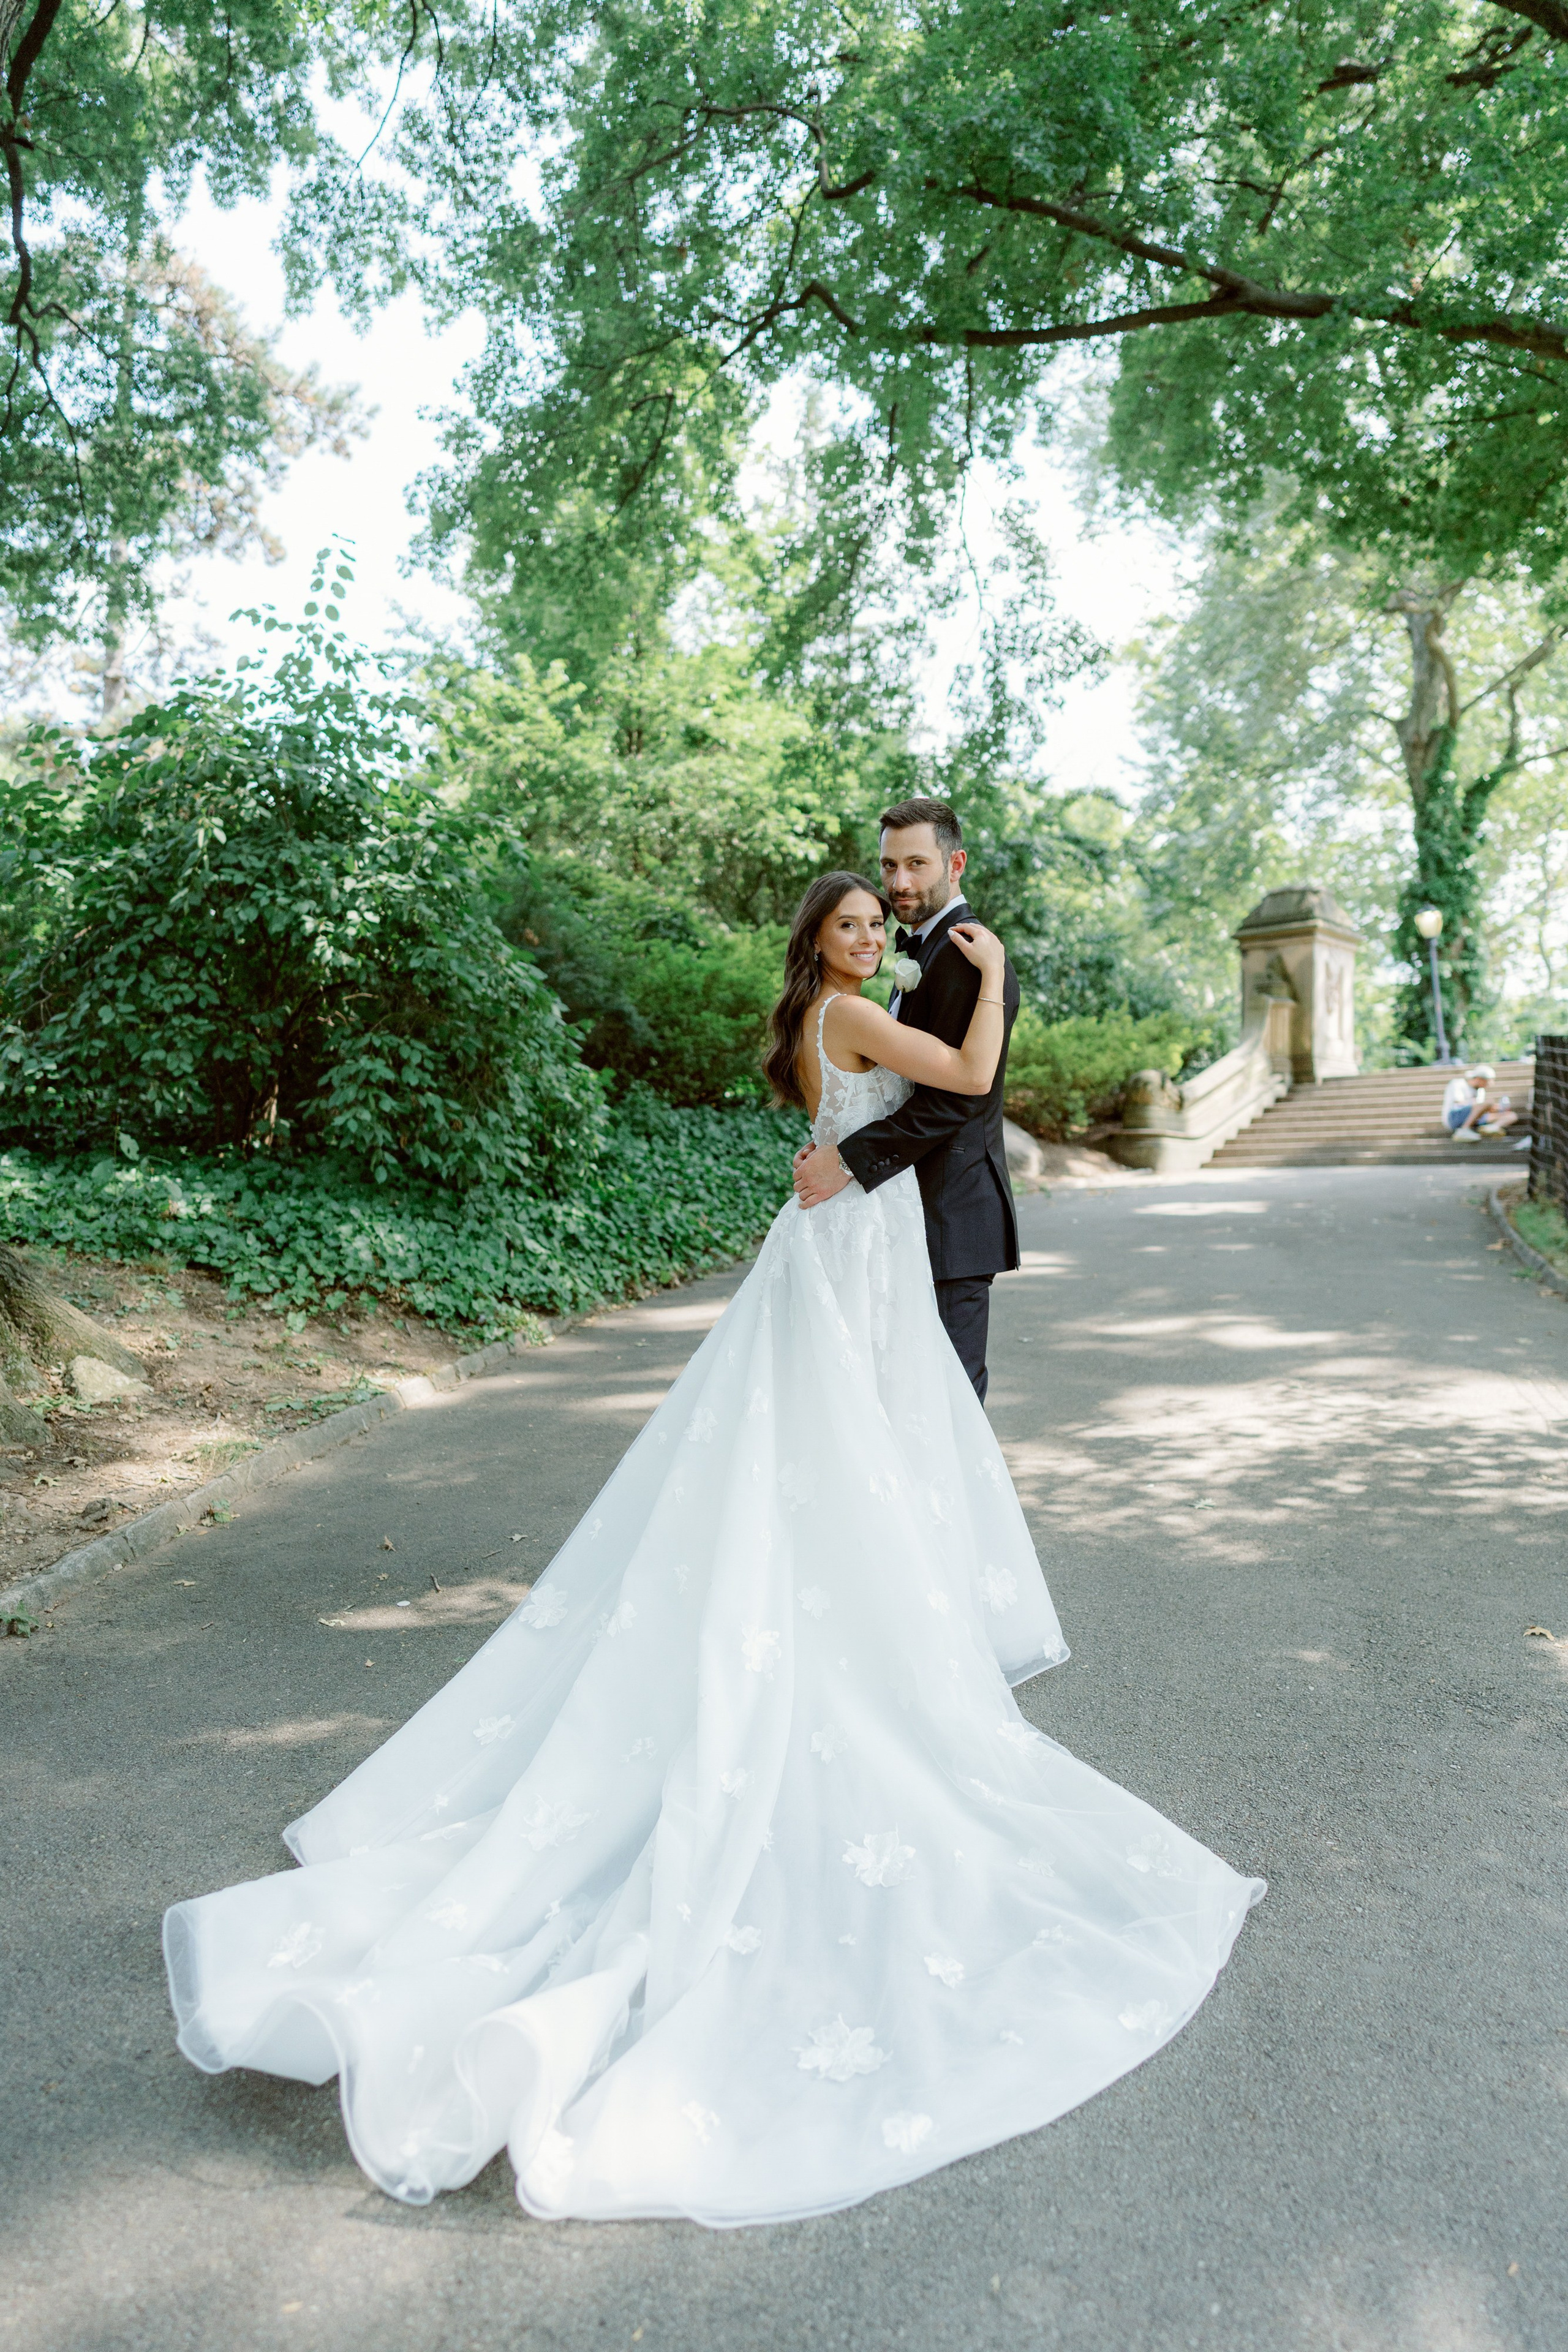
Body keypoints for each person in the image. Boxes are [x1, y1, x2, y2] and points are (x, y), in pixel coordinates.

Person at [162, 871, 1263, 2226]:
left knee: (829, 1454)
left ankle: (838, 1608)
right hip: (849, 1244)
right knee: (842, 1451)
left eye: (878, 924)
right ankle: (843, 1627)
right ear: (818, 942)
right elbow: (972, 1079)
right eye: (851, 924)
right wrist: (991, 975)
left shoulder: (818, 1013)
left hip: (842, 1236)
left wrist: (911, 1025)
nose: (871, 935)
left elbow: (887, 1107)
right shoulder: (850, 1014)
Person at [791, 798, 1018, 1402]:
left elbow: (957, 1099)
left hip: (949, 1213)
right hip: (896, 1215)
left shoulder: (969, 958)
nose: (900, 883)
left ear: (956, 863)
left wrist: (846, 1157)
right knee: (898, 1398)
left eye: (916, 864)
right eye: (889, 866)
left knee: (946, 1403)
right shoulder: (910, 956)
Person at [1442, 1065, 1517, 1140]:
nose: (1490, 1084)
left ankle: (1493, 1128)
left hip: (1474, 1119)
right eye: (1488, 1081)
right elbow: (1459, 1103)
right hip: (1454, 1117)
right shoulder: (1458, 1083)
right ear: (1479, 1079)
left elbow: (1478, 1109)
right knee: (1489, 1103)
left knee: (1511, 1116)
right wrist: (1485, 1106)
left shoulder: (1481, 1091)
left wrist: (1491, 1109)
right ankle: (1464, 1130)